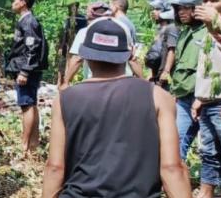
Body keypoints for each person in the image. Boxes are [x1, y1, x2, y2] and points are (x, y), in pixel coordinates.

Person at [42, 18, 192, 198]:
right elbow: (172, 168)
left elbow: (55, 167)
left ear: (86, 56)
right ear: (129, 55)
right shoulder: (159, 97)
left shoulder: (66, 99)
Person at [190, 0, 221, 197]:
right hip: (209, 100)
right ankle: (206, 191)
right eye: (205, 1)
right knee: (207, 151)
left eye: (214, 0)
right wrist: (200, 98)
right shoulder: (208, 30)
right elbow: (209, 68)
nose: (208, 5)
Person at [62, 2, 143, 89]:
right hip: (123, 83)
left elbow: (77, 59)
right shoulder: (122, 30)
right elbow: (132, 59)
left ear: (90, 16)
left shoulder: (86, 32)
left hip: (96, 83)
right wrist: (143, 82)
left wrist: (66, 82)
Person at [5, 0, 48, 154]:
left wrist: (24, 71)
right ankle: (33, 145)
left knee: (26, 105)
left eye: (15, 0)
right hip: (28, 68)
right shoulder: (26, 21)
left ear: (23, 2)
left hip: (26, 69)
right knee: (31, 104)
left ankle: (24, 146)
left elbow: (33, 47)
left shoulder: (28, 22)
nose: (12, 4)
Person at [166, 0, 206, 160]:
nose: (181, 12)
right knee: (177, 139)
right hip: (183, 96)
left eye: (185, 8)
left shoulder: (207, 32)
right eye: (178, 9)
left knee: (213, 146)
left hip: (203, 96)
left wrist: (202, 97)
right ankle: (174, 179)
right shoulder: (184, 34)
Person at [144, 0, 178, 88]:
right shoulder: (159, 29)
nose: (154, 12)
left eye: (158, 9)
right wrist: (151, 73)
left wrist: (166, 71)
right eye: (153, 9)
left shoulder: (172, 28)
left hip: (165, 75)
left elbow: (172, 51)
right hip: (157, 73)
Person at [56, 3, 87, 88]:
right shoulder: (68, 19)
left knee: (72, 62)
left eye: (74, 8)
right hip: (67, 44)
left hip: (76, 45)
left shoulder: (82, 19)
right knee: (62, 63)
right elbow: (65, 33)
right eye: (70, 8)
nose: (72, 10)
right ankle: (60, 82)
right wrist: (61, 47)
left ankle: (68, 81)